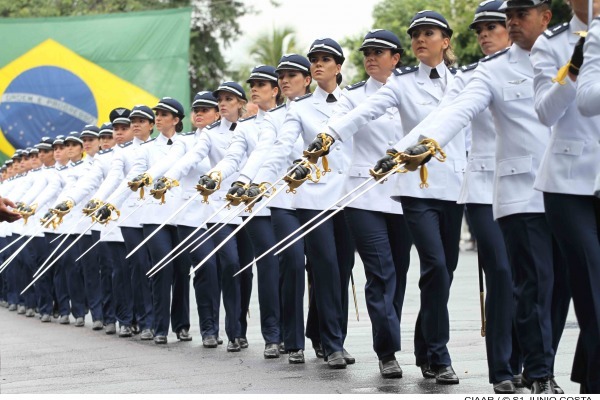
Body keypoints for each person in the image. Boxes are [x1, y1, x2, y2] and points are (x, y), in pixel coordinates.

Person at [372, 0, 568, 393]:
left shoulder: (564, 56)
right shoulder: (479, 75)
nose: (488, 33)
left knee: (555, 286)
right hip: (490, 189)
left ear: (541, 19)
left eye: (495, 25)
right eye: (483, 28)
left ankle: (529, 363)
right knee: (503, 276)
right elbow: (449, 114)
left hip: (561, 186)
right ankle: (507, 369)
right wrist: (413, 146)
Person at [321, 11, 466, 382]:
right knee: (400, 271)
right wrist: (330, 135)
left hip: (451, 188)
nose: (420, 38)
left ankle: (427, 350)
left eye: (428, 33)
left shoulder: (465, 82)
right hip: (400, 190)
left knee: (440, 273)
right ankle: (396, 351)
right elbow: (362, 114)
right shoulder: (398, 86)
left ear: (445, 40)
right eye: (415, 33)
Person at [252, 38, 355, 369]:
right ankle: (292, 340)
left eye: (292, 75)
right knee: (295, 265)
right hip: (287, 199)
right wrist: (255, 180)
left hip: (332, 195)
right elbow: (273, 149)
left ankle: (325, 336)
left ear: (306, 79)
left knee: (334, 267)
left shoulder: (346, 102)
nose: (284, 81)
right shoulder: (277, 116)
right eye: (281, 76)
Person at [322, 29, 411, 378]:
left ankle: (393, 337)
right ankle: (387, 351)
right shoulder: (352, 95)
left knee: (399, 275)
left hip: (405, 194)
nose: (371, 57)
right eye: (367, 52)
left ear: (396, 58)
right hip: (364, 194)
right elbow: (337, 123)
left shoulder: (412, 89)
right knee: (380, 271)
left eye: (379, 51)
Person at [531, 0, 600, 392]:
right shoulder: (552, 43)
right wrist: (575, 64)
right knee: (590, 286)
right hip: (568, 182)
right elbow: (546, 112)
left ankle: (591, 380)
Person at [154, 83, 252, 352]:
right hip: (192, 215)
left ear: (216, 112)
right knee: (206, 269)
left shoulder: (235, 134)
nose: (199, 114)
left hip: (227, 210)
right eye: (195, 109)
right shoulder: (185, 141)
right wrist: (162, 179)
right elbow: (175, 163)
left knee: (233, 266)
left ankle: (236, 330)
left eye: (205, 109)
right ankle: (209, 329)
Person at [198, 65, 283, 359]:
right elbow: (232, 159)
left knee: (270, 270)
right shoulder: (229, 131)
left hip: (270, 203)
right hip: (230, 207)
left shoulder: (283, 119)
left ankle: (281, 335)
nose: (222, 104)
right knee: (236, 266)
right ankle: (239, 331)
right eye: (219, 99)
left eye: (228, 99)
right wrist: (216, 176)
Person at [92, 105, 155, 339]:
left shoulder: (156, 147)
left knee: (142, 270)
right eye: (115, 128)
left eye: (123, 128)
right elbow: (115, 179)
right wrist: (101, 202)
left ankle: (146, 320)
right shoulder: (121, 153)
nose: (118, 133)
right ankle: (125, 319)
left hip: (149, 216)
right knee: (120, 272)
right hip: (121, 218)